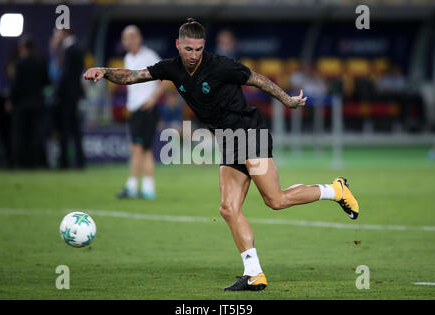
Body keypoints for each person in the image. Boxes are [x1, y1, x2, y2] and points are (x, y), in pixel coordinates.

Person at [83, 18, 360, 292]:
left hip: (250, 134)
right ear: (178, 45)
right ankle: (254, 274)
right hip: (228, 141)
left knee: (274, 200)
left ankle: (335, 190)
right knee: (228, 209)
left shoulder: (220, 65)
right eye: (188, 49)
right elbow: (133, 76)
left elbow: (259, 80)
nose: (193, 55)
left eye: (199, 49)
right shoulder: (171, 68)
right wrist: (103, 71)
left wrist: (288, 100)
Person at [117, 25, 163, 200]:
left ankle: (132, 186)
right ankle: (149, 189)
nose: (130, 40)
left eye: (133, 36)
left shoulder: (149, 56)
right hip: (135, 109)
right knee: (144, 149)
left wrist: (152, 99)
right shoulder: (128, 57)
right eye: (126, 37)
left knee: (137, 149)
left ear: (139, 38)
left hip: (146, 109)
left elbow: (164, 78)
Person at [8, 36, 49, 169]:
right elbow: (46, 82)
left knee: (20, 134)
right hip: (37, 104)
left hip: (21, 105)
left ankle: (19, 163)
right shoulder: (41, 62)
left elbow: (16, 86)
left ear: (23, 48)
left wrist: (10, 100)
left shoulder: (19, 64)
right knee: (37, 134)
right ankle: (37, 163)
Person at [53, 29, 86, 169]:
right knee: (76, 128)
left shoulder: (68, 49)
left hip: (66, 95)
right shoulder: (78, 47)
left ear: (65, 33)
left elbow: (65, 74)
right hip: (75, 94)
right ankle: (79, 160)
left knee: (65, 128)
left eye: (57, 32)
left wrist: (57, 93)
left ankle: (64, 161)